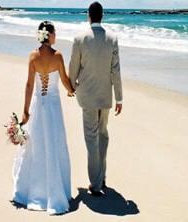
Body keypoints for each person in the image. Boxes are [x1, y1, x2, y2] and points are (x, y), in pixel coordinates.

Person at [11, 21, 75, 215]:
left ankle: (33, 190)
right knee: (54, 146)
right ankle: (56, 192)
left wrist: (25, 112)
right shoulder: (58, 56)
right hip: (53, 108)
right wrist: (72, 90)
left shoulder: (33, 56)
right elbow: (64, 80)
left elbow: (30, 85)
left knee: (36, 147)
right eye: (55, 33)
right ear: (51, 35)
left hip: (38, 106)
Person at [69, 2, 123, 196]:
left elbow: (73, 67)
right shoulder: (112, 39)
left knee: (92, 139)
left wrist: (71, 87)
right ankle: (102, 177)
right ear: (103, 16)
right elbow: (115, 71)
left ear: (88, 16)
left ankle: (96, 183)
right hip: (105, 96)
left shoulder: (79, 38)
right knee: (103, 135)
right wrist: (119, 98)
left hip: (87, 96)